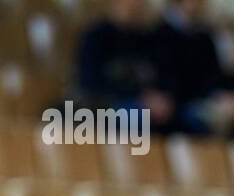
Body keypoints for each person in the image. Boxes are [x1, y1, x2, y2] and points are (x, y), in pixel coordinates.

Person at [72, 0, 174, 130]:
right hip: (103, 104)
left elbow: (161, 77)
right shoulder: (96, 36)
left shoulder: (149, 39)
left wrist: (163, 99)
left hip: (147, 105)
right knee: (136, 116)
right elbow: (89, 81)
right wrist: (140, 97)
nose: (138, 5)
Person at [152, 0, 234, 136]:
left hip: (203, 100)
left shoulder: (205, 36)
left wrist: (225, 93)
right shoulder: (160, 33)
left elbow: (215, 76)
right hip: (174, 102)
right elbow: (161, 77)